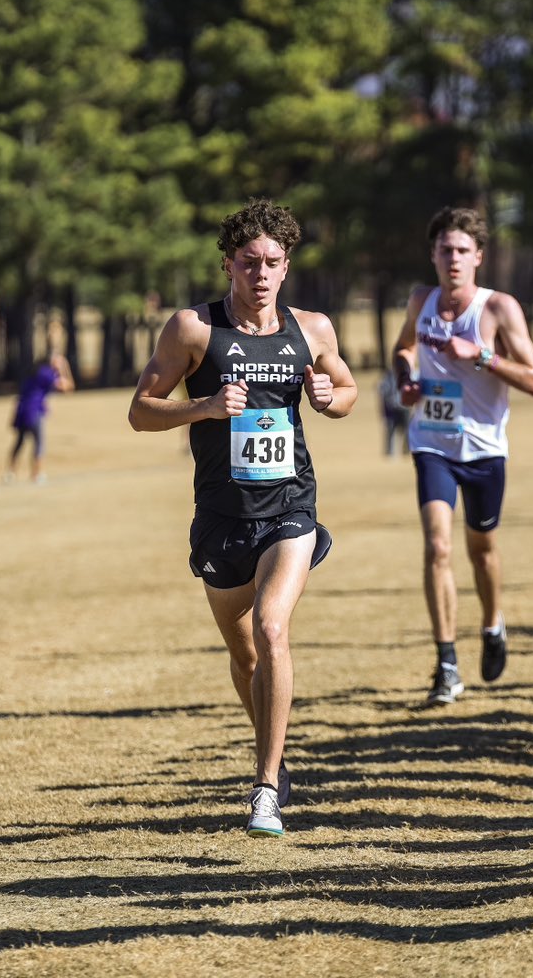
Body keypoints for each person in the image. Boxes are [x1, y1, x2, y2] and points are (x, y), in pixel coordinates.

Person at [128, 197, 357, 836]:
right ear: (228, 264)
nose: (261, 274)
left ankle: (265, 787)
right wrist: (200, 407)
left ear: (287, 268)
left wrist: (328, 396)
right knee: (246, 653)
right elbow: (141, 409)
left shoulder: (312, 329)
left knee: (271, 626)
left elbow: (347, 391)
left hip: (290, 504)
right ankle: (272, 752)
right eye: (249, 262)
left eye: (273, 263)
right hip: (222, 517)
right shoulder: (193, 329)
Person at [392, 206, 533, 705]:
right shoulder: (422, 299)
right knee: (438, 547)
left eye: (462, 250)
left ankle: (493, 623)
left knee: (482, 551)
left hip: (484, 450)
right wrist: (405, 380)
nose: (453, 259)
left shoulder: (498, 308)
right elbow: (403, 349)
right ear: (433, 255)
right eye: (445, 250)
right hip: (432, 443)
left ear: (478, 256)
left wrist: (479, 356)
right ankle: (447, 663)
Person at [5, 351, 74, 483]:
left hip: (22, 410)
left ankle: (11, 472)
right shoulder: (46, 373)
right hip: (34, 411)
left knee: (19, 442)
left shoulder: (35, 371)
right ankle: (37, 473)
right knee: (39, 443)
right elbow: (68, 387)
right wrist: (65, 368)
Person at [378, 369, 410, 455]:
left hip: (404, 408)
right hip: (392, 407)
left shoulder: (408, 374)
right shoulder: (387, 376)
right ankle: (389, 451)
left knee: (407, 430)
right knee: (390, 430)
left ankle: (406, 450)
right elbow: (382, 391)